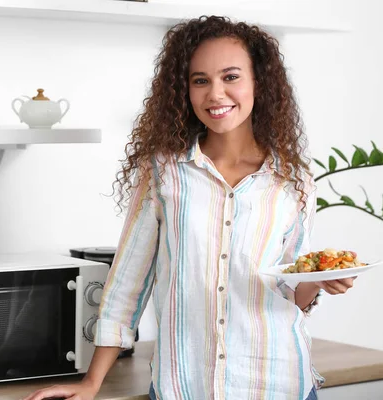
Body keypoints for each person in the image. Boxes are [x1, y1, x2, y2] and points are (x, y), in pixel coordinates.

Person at [24, 15, 355, 400]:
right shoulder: (164, 173)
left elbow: (288, 287)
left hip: (279, 385)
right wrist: (91, 382)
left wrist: (315, 282)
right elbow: (128, 281)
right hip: (184, 387)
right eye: (201, 80)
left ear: (259, 84)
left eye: (231, 77)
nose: (215, 94)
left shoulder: (292, 180)